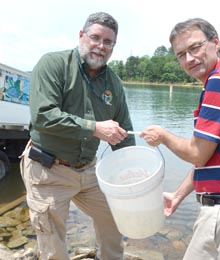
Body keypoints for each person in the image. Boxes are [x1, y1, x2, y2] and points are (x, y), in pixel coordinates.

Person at [140, 18, 220, 260]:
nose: (189, 59)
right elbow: (209, 157)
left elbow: (197, 153)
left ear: (216, 43)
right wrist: (178, 195)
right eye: (181, 55)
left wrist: (164, 136)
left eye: (195, 48)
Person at [19, 12, 135, 260]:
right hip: (49, 170)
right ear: (81, 36)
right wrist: (94, 127)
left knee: (114, 217)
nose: (100, 46)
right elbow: (43, 115)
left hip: (89, 172)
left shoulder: (114, 84)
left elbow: (124, 136)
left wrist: (134, 174)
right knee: (53, 245)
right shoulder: (52, 64)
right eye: (95, 38)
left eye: (108, 42)